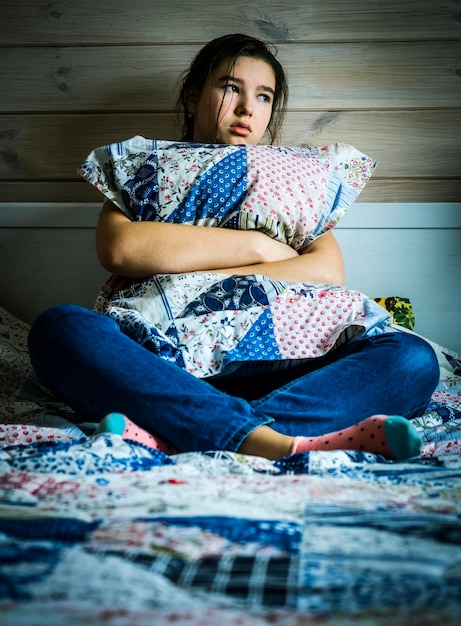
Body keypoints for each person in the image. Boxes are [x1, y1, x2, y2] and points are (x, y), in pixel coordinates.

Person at [28, 34, 439, 461]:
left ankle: (183, 435)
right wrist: (259, 247)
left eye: (264, 97)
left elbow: (328, 272)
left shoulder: (290, 187)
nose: (247, 108)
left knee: (412, 358)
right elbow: (120, 249)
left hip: (290, 369)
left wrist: (194, 264)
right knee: (59, 329)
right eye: (230, 87)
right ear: (192, 96)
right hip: (164, 370)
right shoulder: (148, 171)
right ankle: (265, 440)